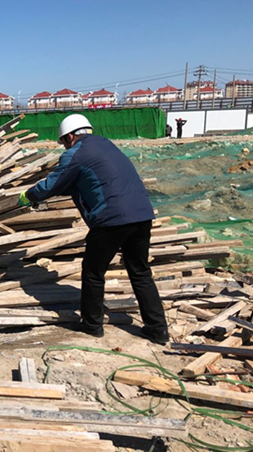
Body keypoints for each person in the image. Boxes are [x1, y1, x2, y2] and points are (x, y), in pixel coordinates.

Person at [18, 114, 168, 344]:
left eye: (63, 142)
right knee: (140, 272)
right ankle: (158, 330)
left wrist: (28, 196)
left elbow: (53, 184)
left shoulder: (75, 154)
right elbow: (89, 180)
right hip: (142, 215)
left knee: (93, 272)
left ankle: (92, 325)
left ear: (70, 136)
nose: (64, 146)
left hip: (112, 219)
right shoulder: (107, 146)